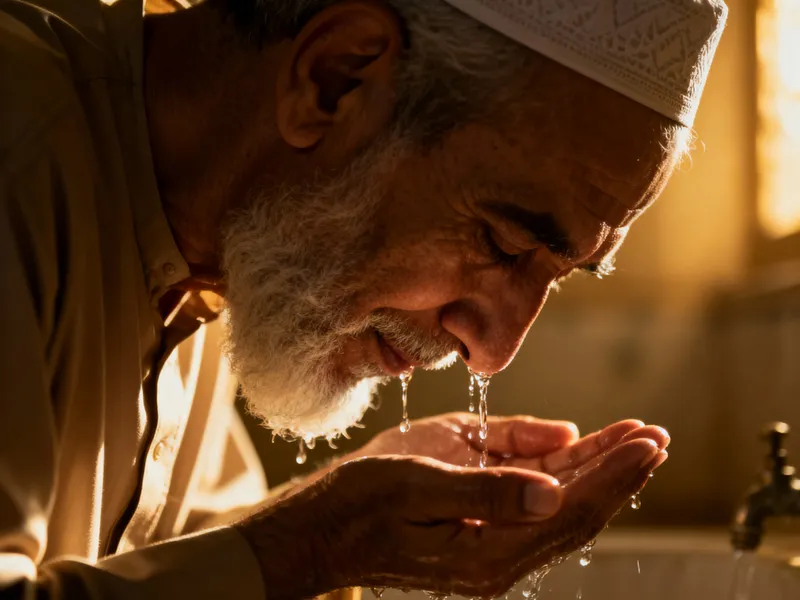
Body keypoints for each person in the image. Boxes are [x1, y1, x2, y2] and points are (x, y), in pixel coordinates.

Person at [0, 0, 726, 597]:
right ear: (334, 81)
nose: (494, 351)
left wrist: (348, 511)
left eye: (560, 275)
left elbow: (176, 562)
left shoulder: (239, 242)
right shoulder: (19, 147)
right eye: (502, 244)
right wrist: (318, 543)